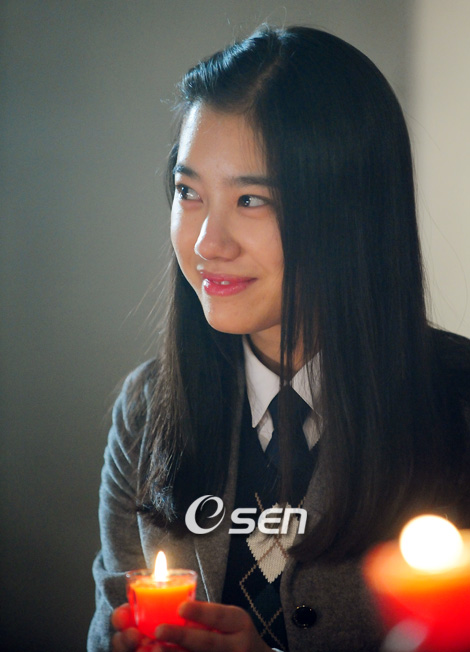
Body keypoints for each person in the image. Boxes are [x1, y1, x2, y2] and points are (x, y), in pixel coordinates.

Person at [88, 25, 470, 652]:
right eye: (188, 192)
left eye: (251, 200)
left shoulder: (457, 407)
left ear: (349, 212)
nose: (208, 243)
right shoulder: (147, 408)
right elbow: (108, 631)